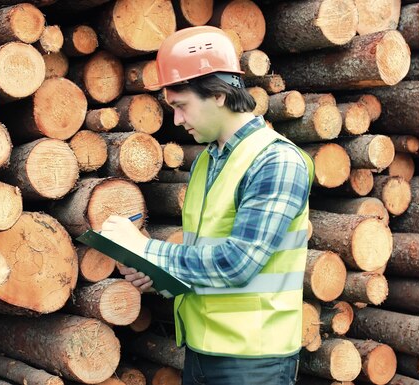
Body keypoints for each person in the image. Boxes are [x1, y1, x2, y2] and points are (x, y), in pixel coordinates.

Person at [100, 26, 314, 385]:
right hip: (203, 352)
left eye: (181, 106)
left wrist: (144, 248)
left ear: (217, 94)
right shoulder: (207, 161)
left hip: (254, 362)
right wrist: (158, 277)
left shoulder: (275, 160)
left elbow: (237, 263)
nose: (177, 120)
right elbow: (205, 256)